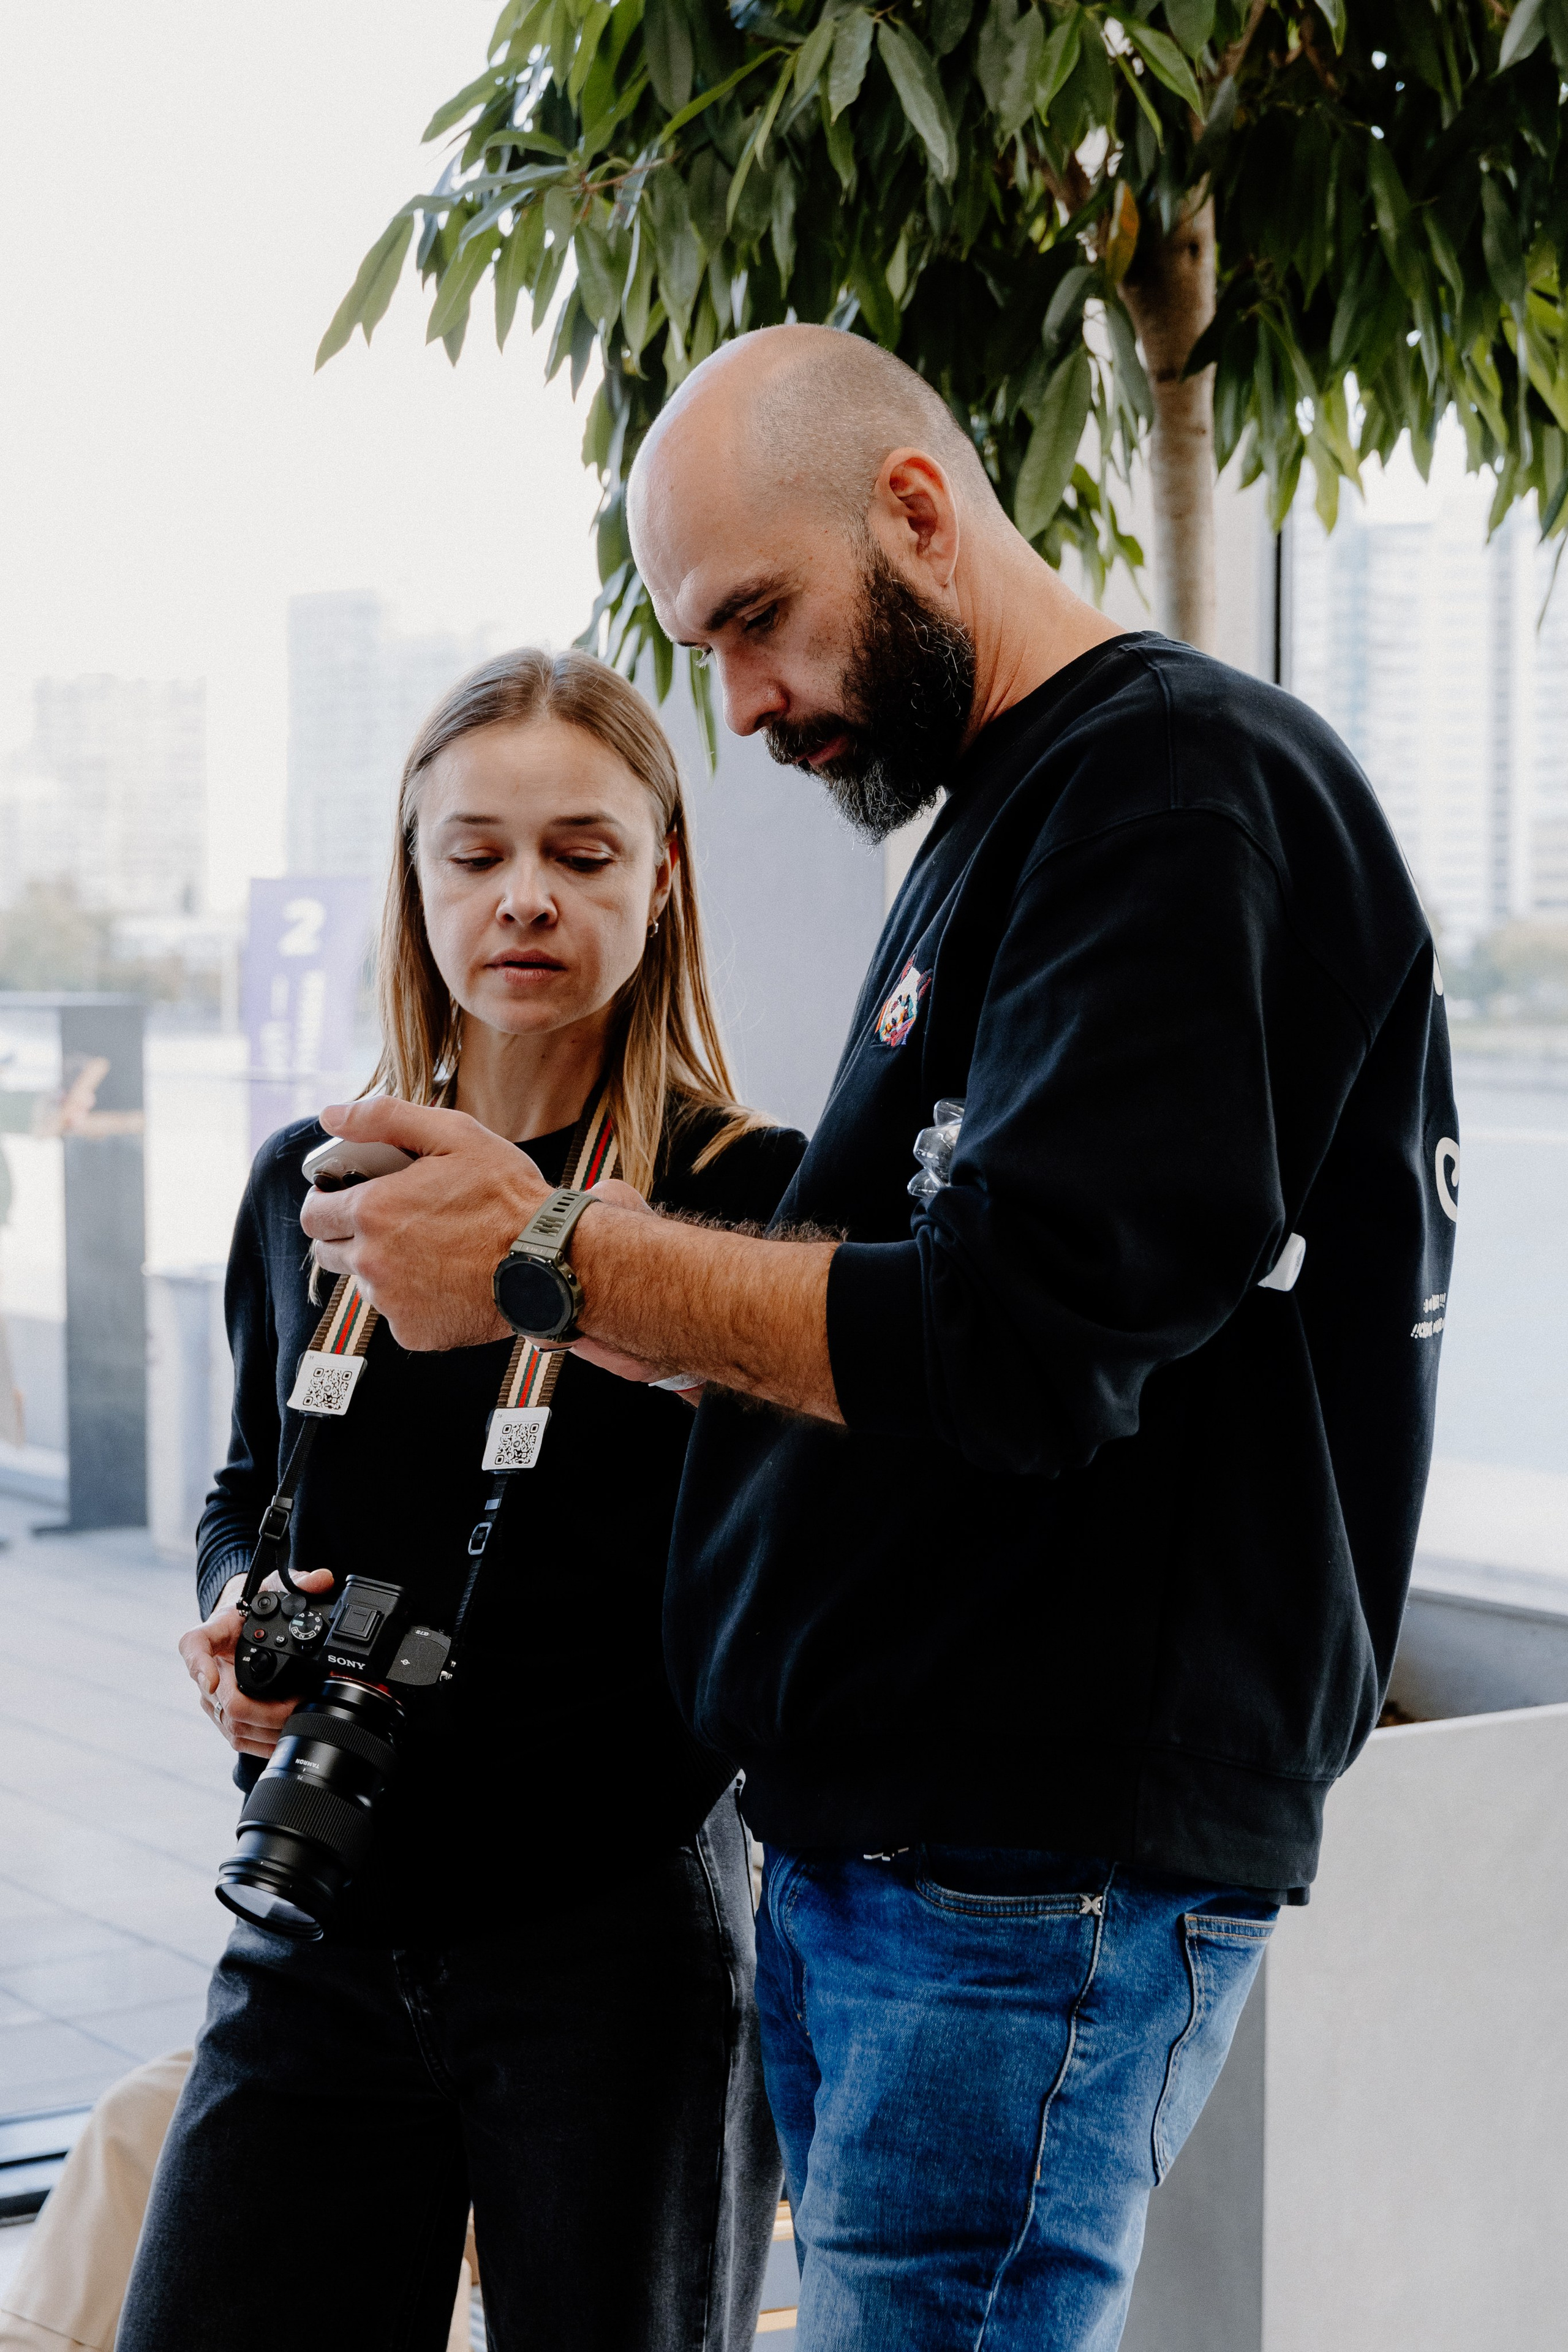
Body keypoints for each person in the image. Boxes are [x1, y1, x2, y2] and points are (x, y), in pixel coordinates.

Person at [298, 326, 1458, 2351]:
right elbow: (916, 1314)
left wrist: (555, 1260)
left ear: (916, 512)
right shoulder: (1013, 821)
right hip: (897, 1861)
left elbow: (1018, 1334)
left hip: (1026, 1869)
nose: (739, 707)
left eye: (760, 623)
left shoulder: (1182, 790)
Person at [117, 649, 800, 2352]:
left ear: (663, 878)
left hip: (617, 1936)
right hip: (326, 1904)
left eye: (581, 853)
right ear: (412, 880)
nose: (524, 901)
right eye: (473, 853)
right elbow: (247, 1489)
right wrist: (233, 1622)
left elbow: (790, 1570)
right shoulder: (314, 1183)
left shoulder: (745, 1203)